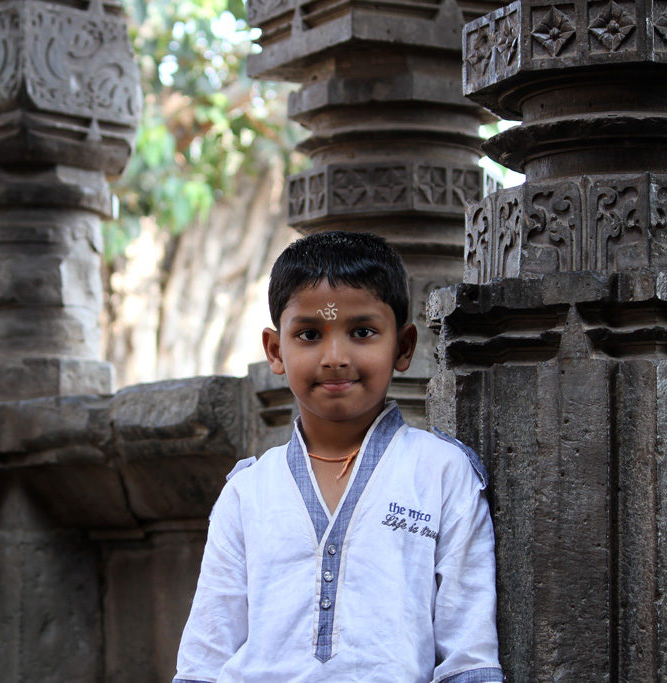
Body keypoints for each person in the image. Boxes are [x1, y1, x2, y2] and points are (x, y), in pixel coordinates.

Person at [173, 231, 502, 682]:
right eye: (309, 334)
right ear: (275, 351)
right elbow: (204, 657)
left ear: (404, 346)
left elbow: (469, 655)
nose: (335, 357)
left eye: (362, 332)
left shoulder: (441, 473)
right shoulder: (248, 492)